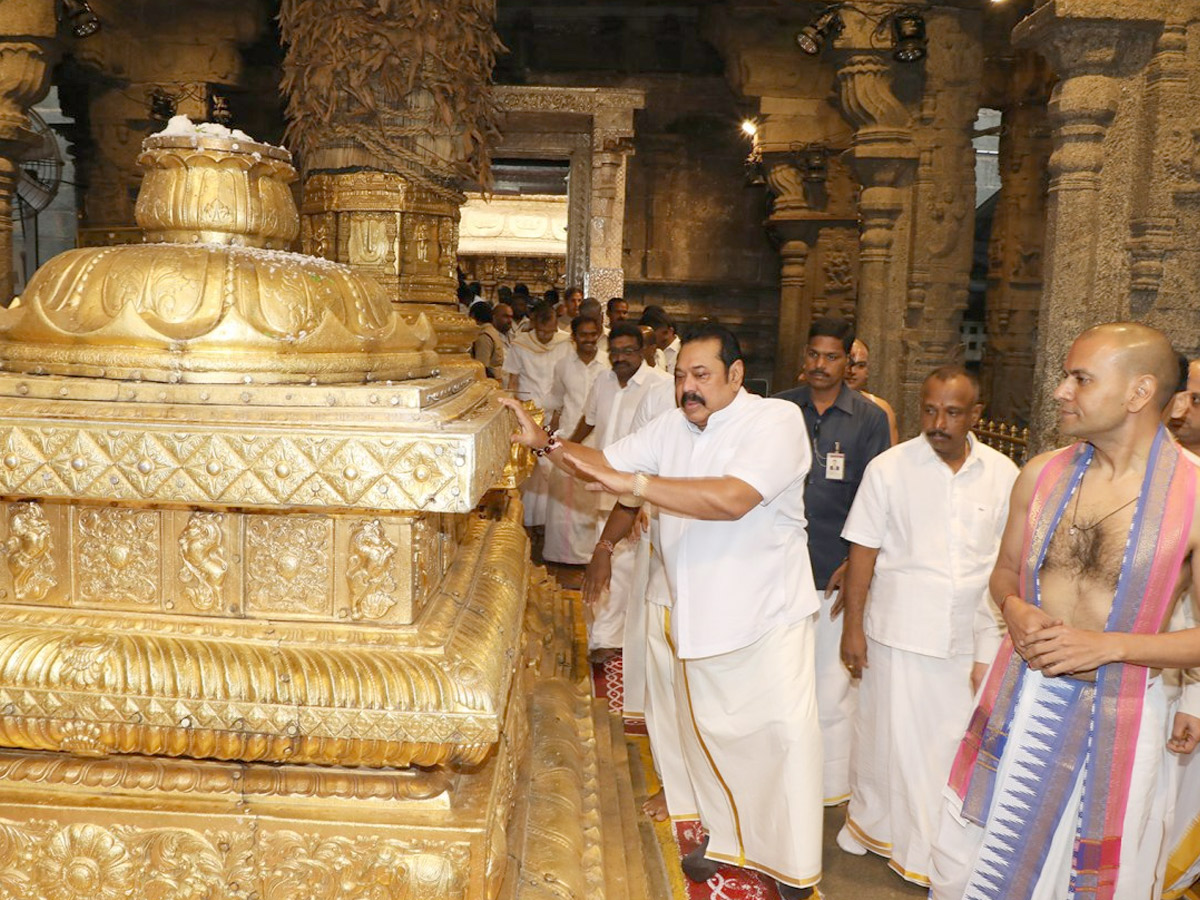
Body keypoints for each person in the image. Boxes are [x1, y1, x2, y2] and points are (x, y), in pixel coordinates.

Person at [501, 322, 824, 898]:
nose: (687, 388)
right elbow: (600, 465)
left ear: (736, 375)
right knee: (710, 734)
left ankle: (791, 867)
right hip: (701, 608)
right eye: (681, 377)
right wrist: (544, 442)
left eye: (701, 375)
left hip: (767, 613)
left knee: (776, 739)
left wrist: (638, 484)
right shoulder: (671, 427)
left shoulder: (774, 422)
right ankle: (726, 840)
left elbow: (730, 500)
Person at [930, 322, 1200, 900]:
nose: (1060, 391)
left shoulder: (1195, 497)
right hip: (1015, 698)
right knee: (967, 866)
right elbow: (1004, 573)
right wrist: (1013, 607)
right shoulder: (1042, 474)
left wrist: (1110, 646)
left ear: (1139, 392)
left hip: (1119, 721)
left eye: (1080, 378)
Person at [835, 367, 1019, 886]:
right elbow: (863, 551)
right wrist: (853, 628)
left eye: (953, 412)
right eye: (930, 410)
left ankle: (935, 843)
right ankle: (920, 853)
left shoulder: (1003, 473)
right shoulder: (889, 469)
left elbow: (1008, 558)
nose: (939, 422)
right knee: (897, 746)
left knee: (950, 750)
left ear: (976, 414)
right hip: (902, 633)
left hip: (973, 637)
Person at [775, 317, 891, 806]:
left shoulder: (868, 417)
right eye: (813, 355)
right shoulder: (779, 409)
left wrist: (854, 560)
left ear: (849, 362)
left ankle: (825, 791)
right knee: (780, 680)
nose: (820, 365)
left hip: (832, 567)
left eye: (831, 357)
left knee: (830, 686)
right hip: (779, 567)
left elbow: (876, 495)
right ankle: (781, 778)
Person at [570, 322, 671, 657]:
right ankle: (610, 631)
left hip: (637, 491)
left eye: (628, 350)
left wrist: (642, 499)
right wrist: (566, 449)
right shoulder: (603, 380)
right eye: (615, 351)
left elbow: (661, 449)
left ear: (644, 351)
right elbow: (591, 420)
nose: (620, 358)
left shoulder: (660, 387)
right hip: (605, 481)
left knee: (624, 562)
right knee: (605, 554)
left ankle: (608, 638)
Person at [542, 315, 608, 565]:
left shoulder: (608, 366)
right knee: (563, 499)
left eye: (594, 334)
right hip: (568, 437)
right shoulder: (563, 365)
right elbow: (556, 401)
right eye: (584, 335)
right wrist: (548, 435)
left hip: (597, 441)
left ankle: (589, 556)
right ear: (574, 337)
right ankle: (560, 555)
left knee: (592, 499)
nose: (589, 340)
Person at [502, 301, 571, 530]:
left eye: (549, 332)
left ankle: (547, 522)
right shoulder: (520, 344)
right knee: (528, 468)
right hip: (528, 413)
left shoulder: (564, 342)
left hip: (554, 411)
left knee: (552, 465)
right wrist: (514, 411)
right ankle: (527, 520)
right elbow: (513, 380)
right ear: (533, 325)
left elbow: (564, 383)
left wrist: (559, 413)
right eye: (540, 331)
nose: (544, 336)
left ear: (555, 326)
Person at [847, 339, 900, 445]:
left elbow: (890, 456)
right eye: (848, 364)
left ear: (867, 371)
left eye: (860, 366)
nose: (852, 371)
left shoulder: (881, 409)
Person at [469, 301, 505, 380]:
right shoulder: (492, 331)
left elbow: (482, 366)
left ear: (473, 316)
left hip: (491, 378)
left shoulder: (484, 336)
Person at [642, 306, 681, 373]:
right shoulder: (648, 351)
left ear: (667, 332)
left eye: (651, 334)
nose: (648, 338)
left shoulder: (683, 349)